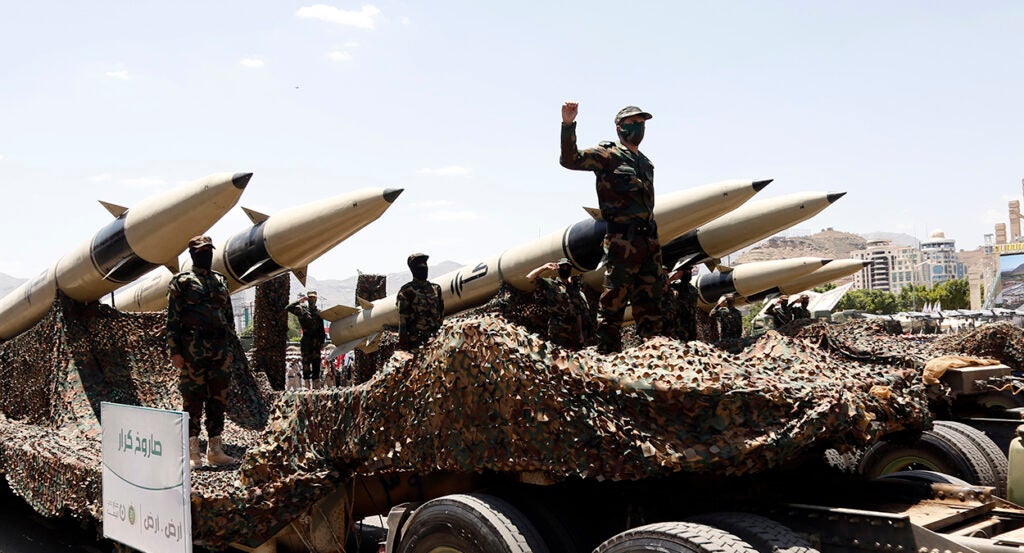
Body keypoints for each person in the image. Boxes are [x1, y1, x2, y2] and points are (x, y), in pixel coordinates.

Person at [560, 101, 664, 353]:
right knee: (612, 307)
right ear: (620, 127)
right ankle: (607, 359)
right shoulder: (607, 155)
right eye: (634, 123)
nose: (640, 127)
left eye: (643, 123)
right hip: (621, 243)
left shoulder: (645, 163)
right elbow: (570, 159)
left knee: (652, 307)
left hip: (649, 242)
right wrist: (568, 125)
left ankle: (655, 358)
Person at [166, 235, 238, 468]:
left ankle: (215, 450)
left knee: (218, 399)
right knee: (193, 399)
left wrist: (229, 348)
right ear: (193, 254)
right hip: (192, 351)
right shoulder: (181, 281)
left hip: (219, 350)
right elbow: (172, 320)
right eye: (201, 251)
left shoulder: (220, 280)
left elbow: (228, 317)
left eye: (208, 250)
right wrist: (175, 351)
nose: (205, 254)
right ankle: (192, 451)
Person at [525, 258, 591, 349]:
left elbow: (577, 312)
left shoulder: (573, 288)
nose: (565, 269)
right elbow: (529, 277)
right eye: (563, 266)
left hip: (573, 329)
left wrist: (580, 333)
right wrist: (544, 267)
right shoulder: (551, 284)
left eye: (567, 267)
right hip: (558, 330)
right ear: (558, 268)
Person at [397, 253, 444, 351]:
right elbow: (403, 322)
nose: (424, 268)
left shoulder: (436, 288)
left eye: (425, 265)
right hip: (417, 344)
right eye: (420, 266)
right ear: (413, 269)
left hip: (437, 341)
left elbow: (441, 314)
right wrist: (404, 347)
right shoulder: (406, 291)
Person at [287, 290, 327, 389]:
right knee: (306, 363)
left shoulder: (319, 313)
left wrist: (322, 342)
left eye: (314, 298)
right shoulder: (302, 310)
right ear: (307, 298)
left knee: (316, 364)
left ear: (316, 299)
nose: (312, 300)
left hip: (316, 342)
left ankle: (316, 386)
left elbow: (322, 329)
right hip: (306, 341)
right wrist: (299, 301)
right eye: (310, 298)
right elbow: (288, 308)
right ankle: (307, 386)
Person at [662, 262, 698, 342]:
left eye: (690, 272)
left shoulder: (693, 290)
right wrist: (673, 278)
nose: (689, 273)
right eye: (686, 272)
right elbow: (665, 286)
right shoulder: (674, 288)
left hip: (691, 329)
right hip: (677, 330)